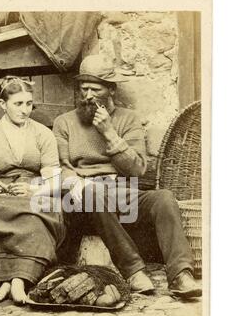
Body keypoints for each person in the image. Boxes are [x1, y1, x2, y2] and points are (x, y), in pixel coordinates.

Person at [53, 55, 202, 299]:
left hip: (121, 192)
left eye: (95, 88)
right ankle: (134, 271)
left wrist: (109, 133)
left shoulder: (128, 120)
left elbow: (136, 169)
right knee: (93, 192)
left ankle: (180, 275)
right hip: (81, 201)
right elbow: (60, 168)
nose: (88, 95)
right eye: (84, 88)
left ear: (111, 90)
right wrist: (80, 183)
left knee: (163, 198)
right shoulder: (64, 123)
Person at [0, 76, 65, 304]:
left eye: (29, 103)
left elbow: (55, 183)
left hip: (32, 193)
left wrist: (33, 190)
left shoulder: (43, 135)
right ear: (2, 104)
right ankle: (5, 278)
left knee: (41, 212)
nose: (25, 110)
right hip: (1, 197)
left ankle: (19, 279)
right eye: (18, 104)